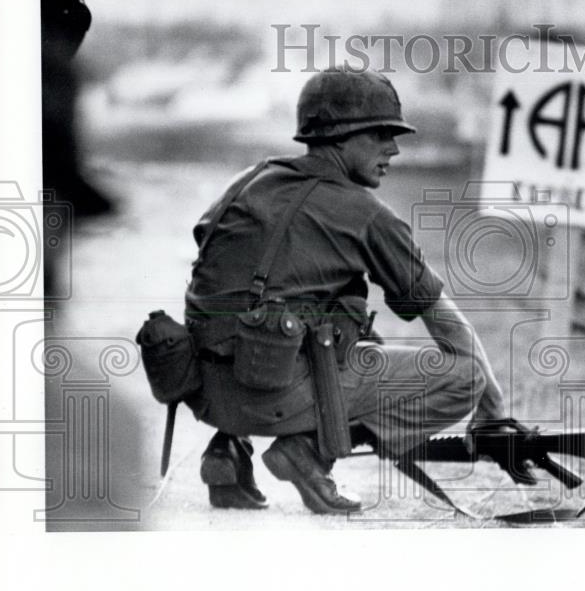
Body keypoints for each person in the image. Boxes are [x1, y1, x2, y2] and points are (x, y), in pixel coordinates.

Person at [184, 68, 511, 513]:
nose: (393, 149)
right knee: (466, 376)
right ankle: (308, 452)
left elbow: (212, 267)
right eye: (380, 135)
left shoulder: (248, 179)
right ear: (342, 137)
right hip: (271, 394)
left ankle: (228, 452)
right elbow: (447, 327)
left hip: (205, 391)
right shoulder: (367, 215)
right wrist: (493, 406)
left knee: (322, 319)